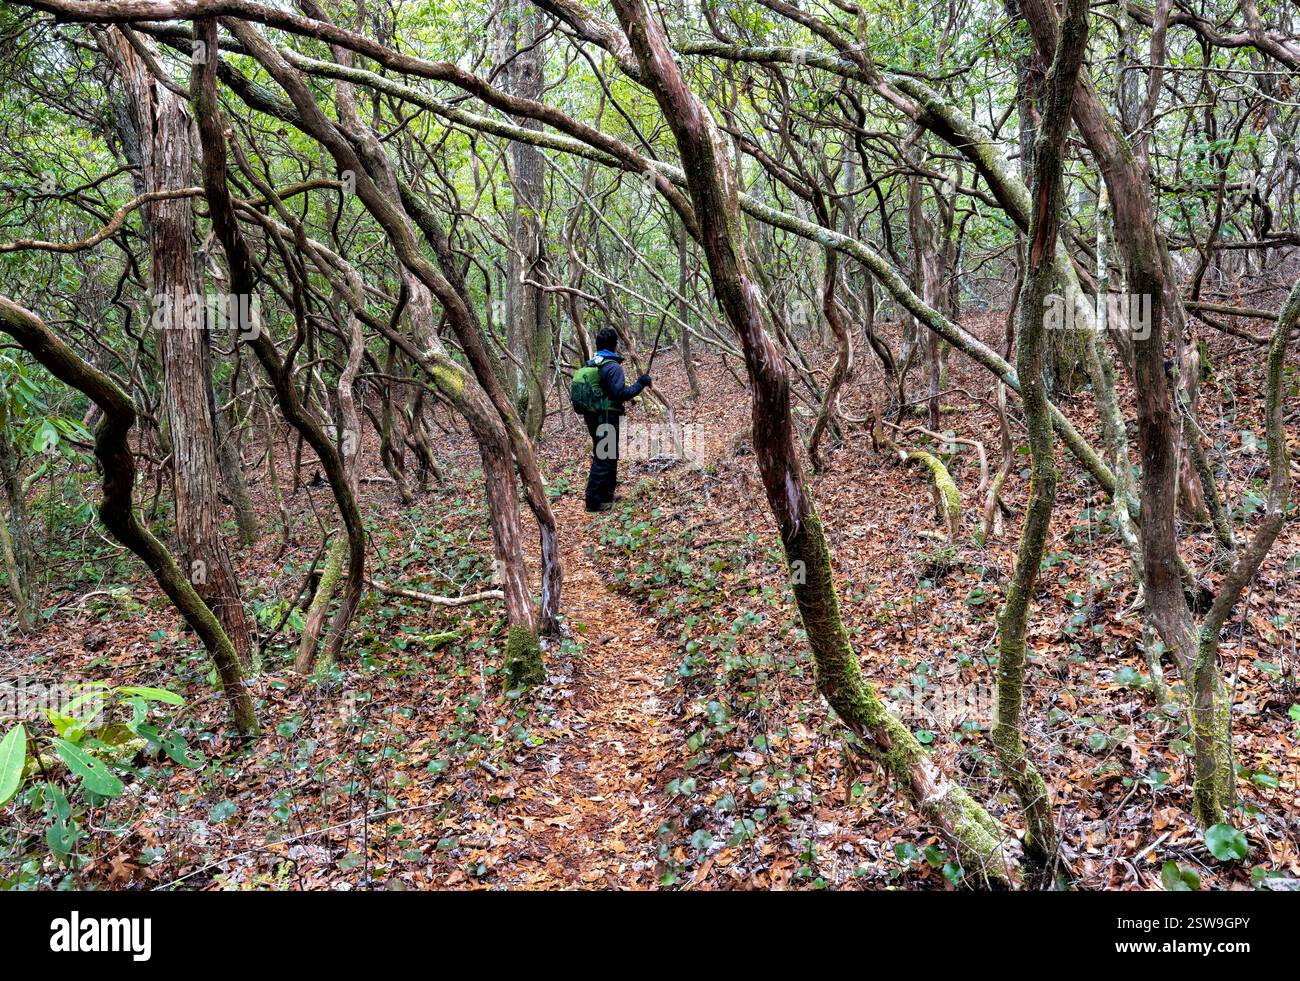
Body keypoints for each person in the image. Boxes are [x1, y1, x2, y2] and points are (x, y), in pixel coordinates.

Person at [580, 327, 651, 512]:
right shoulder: (613, 366)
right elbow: (620, 394)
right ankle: (593, 502)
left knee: (607, 454)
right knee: (604, 456)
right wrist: (640, 383)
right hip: (606, 416)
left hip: (594, 416)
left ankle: (606, 496)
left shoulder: (593, 364)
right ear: (615, 345)